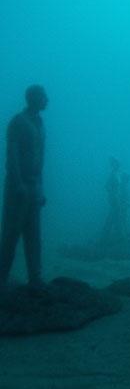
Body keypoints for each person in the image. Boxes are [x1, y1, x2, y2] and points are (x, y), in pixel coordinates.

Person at [0, 85, 48, 287]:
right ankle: (1, 278)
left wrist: (40, 188)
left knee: (33, 234)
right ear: (32, 98)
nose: (47, 99)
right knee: (11, 233)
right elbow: (12, 155)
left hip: (34, 186)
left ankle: (35, 278)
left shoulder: (40, 123)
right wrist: (18, 183)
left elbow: (41, 158)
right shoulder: (18, 122)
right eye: (43, 96)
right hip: (17, 186)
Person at [100, 157, 128, 246]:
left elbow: (127, 177)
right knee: (116, 216)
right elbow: (107, 186)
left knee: (115, 216)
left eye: (117, 163)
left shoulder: (118, 173)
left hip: (118, 198)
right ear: (113, 165)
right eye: (115, 163)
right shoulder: (112, 174)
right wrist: (113, 194)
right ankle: (119, 238)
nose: (118, 164)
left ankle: (109, 237)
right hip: (114, 198)